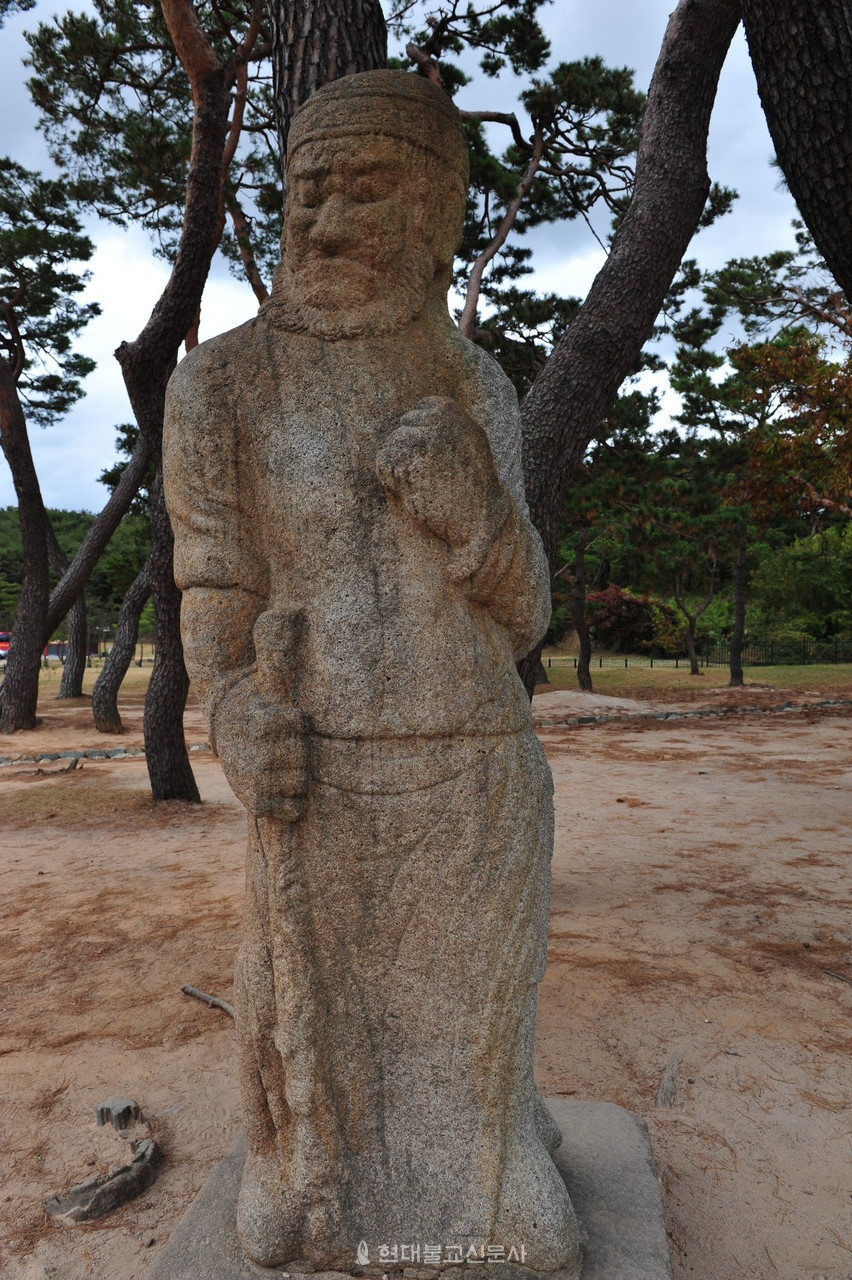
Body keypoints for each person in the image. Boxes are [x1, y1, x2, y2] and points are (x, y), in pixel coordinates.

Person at [164, 69, 578, 1274]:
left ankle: (491, 1151)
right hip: (320, 783)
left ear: (439, 212)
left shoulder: (472, 380)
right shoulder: (223, 384)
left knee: (490, 1139)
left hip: (473, 770)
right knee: (314, 1068)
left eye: (367, 190)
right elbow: (217, 592)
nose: (328, 223)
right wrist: (238, 711)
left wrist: (481, 522)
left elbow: (523, 616)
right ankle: (306, 1165)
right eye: (307, 191)